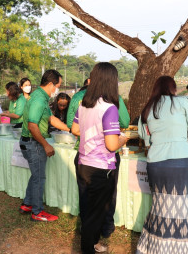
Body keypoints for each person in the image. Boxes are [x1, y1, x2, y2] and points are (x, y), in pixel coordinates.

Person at [136, 76, 188, 254]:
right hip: (179, 162)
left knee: (159, 207)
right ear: (173, 89)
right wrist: (185, 139)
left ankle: (152, 248)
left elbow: (146, 138)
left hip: (155, 163)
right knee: (178, 209)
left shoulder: (149, 108)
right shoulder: (183, 102)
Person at [70, 62, 129, 254]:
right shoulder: (109, 108)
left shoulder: (85, 104)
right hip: (101, 168)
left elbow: (75, 130)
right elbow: (112, 145)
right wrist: (123, 138)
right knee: (95, 215)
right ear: (112, 81)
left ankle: (92, 244)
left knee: (88, 209)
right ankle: (88, 248)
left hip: (83, 163)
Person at [18, 69, 69, 222]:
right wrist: (46, 145)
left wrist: (69, 129)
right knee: (39, 177)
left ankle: (27, 203)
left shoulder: (40, 96)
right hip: (34, 143)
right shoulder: (39, 99)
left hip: (31, 142)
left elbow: (50, 118)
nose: (58, 89)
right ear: (50, 84)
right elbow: (33, 126)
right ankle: (37, 211)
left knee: (36, 175)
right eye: (58, 86)